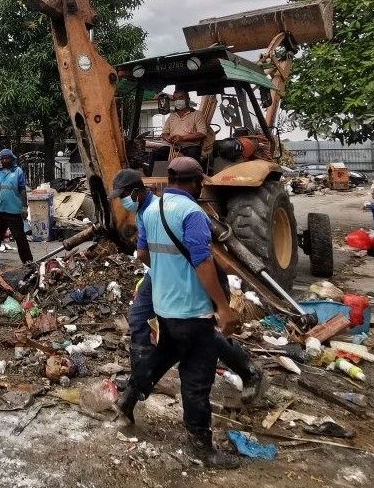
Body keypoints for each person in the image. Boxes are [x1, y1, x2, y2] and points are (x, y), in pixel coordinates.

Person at [115, 157, 239, 469]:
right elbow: (202, 261)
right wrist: (223, 308)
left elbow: (143, 253)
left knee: (160, 357)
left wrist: (166, 272)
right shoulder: (192, 212)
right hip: (193, 311)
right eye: (201, 183)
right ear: (196, 182)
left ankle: (128, 398)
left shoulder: (152, 211)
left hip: (166, 308)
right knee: (196, 379)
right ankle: (200, 447)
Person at [109, 168, 266, 414]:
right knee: (143, 321)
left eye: (123, 196)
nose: (122, 202)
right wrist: (160, 270)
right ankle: (135, 384)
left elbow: (196, 259)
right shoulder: (145, 211)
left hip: (179, 276)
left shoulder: (165, 209)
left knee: (193, 331)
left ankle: (247, 369)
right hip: (159, 275)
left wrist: (165, 271)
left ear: (137, 192)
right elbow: (144, 254)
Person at [0, 149, 33, 268]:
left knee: (20, 237)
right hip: (0, 210)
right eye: (3, 158)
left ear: (12, 159)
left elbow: (22, 190)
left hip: (14, 212)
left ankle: (28, 262)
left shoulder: (18, 171)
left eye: (7, 158)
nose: (5, 160)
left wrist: (24, 207)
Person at [161, 90, 208, 162]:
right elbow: (164, 133)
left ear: (187, 99)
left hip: (190, 147)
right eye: (175, 99)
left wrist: (182, 138)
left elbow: (202, 133)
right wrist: (168, 138)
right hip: (173, 147)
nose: (178, 101)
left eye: (181, 97)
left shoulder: (197, 114)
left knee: (193, 154)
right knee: (157, 153)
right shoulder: (172, 116)